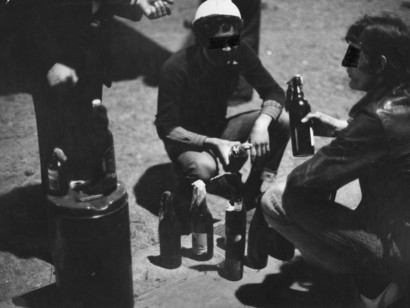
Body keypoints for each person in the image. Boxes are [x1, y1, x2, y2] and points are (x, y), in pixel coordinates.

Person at [261, 14, 410, 307]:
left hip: (398, 245)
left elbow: (302, 183)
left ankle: (374, 282)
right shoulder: (400, 97)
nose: (346, 62)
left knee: (277, 199)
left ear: (379, 64)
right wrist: (346, 129)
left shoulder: (376, 120)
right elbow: (394, 138)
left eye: (354, 54)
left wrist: (347, 140)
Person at [4, 0, 174, 190]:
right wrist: (50, 61)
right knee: (57, 150)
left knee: (91, 139)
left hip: (91, 57)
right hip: (55, 61)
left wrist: (136, 3)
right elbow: (23, 9)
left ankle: (88, 205)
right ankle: (59, 211)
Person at [155, 0, 289, 227]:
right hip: (188, 140)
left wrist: (261, 125)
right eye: (218, 43)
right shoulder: (176, 67)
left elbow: (274, 91)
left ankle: (252, 190)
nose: (227, 49)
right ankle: (186, 191)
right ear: (202, 40)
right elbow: (166, 127)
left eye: (232, 41)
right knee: (205, 167)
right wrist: (211, 143)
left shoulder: (238, 51)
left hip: (219, 128)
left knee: (282, 121)